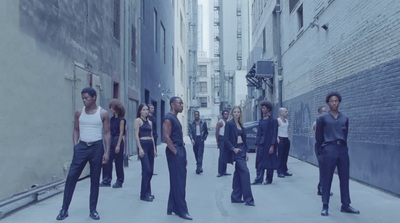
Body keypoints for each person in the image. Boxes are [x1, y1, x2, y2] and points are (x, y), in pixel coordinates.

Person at [56, 87, 110, 221]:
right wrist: (76, 146)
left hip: (97, 147)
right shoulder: (79, 113)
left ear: (94, 97)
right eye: (83, 98)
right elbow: (75, 130)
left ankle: (93, 210)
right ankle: (64, 209)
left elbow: (107, 133)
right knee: (71, 178)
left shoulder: (103, 113)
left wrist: (107, 152)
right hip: (82, 146)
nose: (84, 100)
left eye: (86, 98)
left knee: (95, 179)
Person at [316, 92, 360, 216]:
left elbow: (345, 134)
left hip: (342, 149)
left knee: (345, 178)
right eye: (331, 101)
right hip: (329, 149)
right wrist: (321, 152)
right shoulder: (322, 118)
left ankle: (345, 205)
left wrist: (343, 147)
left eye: (336, 101)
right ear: (328, 103)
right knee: (327, 178)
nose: (334, 103)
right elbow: (319, 137)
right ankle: (325, 205)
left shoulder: (344, 118)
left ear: (339, 102)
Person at [163, 97, 193, 220]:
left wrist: (182, 155)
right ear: (172, 105)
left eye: (182, 103)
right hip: (174, 150)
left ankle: (172, 207)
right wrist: (176, 152)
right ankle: (182, 210)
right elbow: (166, 137)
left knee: (178, 180)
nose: (181, 105)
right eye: (179, 103)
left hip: (179, 150)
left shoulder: (174, 118)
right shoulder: (168, 118)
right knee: (179, 182)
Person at [224, 106, 255, 206]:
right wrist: (233, 149)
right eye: (235, 112)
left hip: (242, 150)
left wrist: (246, 152)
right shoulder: (229, 124)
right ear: (232, 113)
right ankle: (248, 199)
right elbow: (226, 139)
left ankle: (236, 197)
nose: (237, 113)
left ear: (240, 113)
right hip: (236, 151)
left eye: (238, 112)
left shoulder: (241, 124)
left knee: (238, 174)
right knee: (245, 173)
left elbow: (244, 139)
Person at [99, 99, 126, 188]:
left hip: (118, 139)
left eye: (112, 107)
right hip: (111, 139)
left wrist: (118, 145)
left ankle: (119, 181)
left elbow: (121, 132)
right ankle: (106, 180)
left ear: (116, 108)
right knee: (107, 160)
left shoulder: (121, 119)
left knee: (118, 162)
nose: (110, 109)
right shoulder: (111, 119)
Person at [134, 104, 157, 202]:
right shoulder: (138, 121)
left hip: (150, 145)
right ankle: (143, 194)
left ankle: (148, 192)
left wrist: (155, 149)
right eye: (143, 110)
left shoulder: (150, 122)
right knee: (146, 169)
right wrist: (139, 148)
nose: (146, 111)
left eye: (147, 109)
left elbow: (152, 136)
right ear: (140, 111)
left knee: (151, 170)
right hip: (143, 144)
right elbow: (136, 135)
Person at [252, 101, 278, 185]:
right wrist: (256, 145)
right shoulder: (261, 120)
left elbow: (274, 133)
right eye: (262, 108)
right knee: (259, 161)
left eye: (264, 108)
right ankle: (259, 178)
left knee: (269, 161)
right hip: (261, 143)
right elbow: (258, 133)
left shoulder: (273, 120)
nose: (262, 109)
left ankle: (269, 179)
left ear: (268, 109)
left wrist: (272, 145)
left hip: (269, 143)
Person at [313, 106, 329, 195]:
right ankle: (321, 188)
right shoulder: (317, 123)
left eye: (326, 111)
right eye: (323, 111)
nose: (325, 113)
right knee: (323, 169)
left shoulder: (327, 122)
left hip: (327, 147)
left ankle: (323, 187)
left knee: (327, 169)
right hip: (321, 147)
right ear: (319, 113)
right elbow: (318, 137)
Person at [277, 107, 292, 178]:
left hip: (286, 139)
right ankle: (279, 171)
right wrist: (277, 139)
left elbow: (287, 129)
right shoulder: (278, 120)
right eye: (285, 112)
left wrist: (288, 137)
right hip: (281, 139)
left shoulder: (287, 120)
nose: (287, 113)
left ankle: (285, 170)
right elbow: (275, 130)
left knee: (285, 155)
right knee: (280, 156)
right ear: (281, 113)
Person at [215, 110, 231, 177]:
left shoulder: (228, 122)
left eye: (227, 114)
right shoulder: (220, 122)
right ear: (222, 115)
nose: (226, 115)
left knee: (225, 155)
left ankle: (224, 171)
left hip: (226, 139)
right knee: (221, 155)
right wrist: (217, 141)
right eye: (225, 114)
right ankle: (220, 172)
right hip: (221, 138)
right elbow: (217, 132)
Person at [148, 104, 158, 175]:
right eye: (151, 108)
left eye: (153, 108)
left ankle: (151, 170)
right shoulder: (147, 118)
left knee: (152, 154)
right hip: (148, 136)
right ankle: (147, 170)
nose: (153, 109)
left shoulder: (154, 118)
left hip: (154, 136)